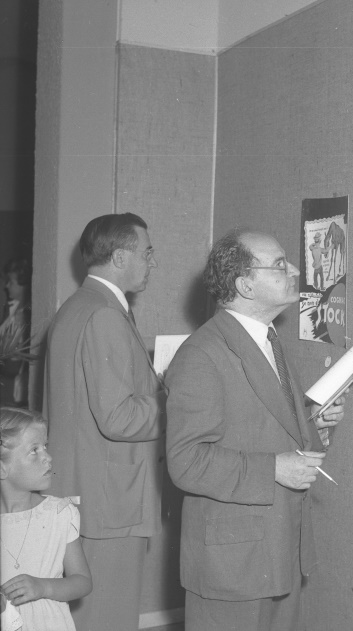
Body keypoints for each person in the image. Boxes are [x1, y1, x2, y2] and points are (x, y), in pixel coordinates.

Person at [165, 228, 346, 631]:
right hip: (233, 565)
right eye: (279, 264)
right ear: (245, 285)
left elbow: (266, 427)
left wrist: (313, 420)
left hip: (278, 549)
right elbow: (185, 461)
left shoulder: (268, 341)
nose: (294, 270)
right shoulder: (202, 354)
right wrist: (274, 469)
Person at [43, 213, 166, 631]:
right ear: (119, 257)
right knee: (109, 616)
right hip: (110, 501)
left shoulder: (76, 307)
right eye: (147, 253)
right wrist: (173, 404)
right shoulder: (105, 315)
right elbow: (119, 418)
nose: (152, 262)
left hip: (83, 490)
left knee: (87, 616)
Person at [0, 406, 92, 631]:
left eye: (45, 447)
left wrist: (43, 587)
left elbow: (82, 581)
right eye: (34, 450)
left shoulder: (59, 514)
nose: (48, 457)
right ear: (2, 468)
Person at [0, 258, 32, 407]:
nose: (7, 286)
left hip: (15, 385)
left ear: (24, 286)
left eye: (11, 282)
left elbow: (15, 362)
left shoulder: (26, 315)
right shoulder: (11, 309)